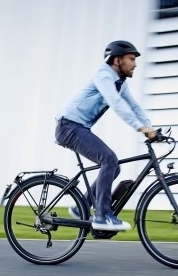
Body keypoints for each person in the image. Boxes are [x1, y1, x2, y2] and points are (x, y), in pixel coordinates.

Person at [54, 40, 156, 231]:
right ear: (117, 60)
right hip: (68, 126)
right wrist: (140, 128)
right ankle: (102, 216)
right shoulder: (103, 75)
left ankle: (81, 206)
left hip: (78, 127)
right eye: (131, 59)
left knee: (113, 167)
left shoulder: (119, 82)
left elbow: (134, 106)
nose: (135, 64)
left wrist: (150, 128)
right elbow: (115, 102)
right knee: (109, 159)